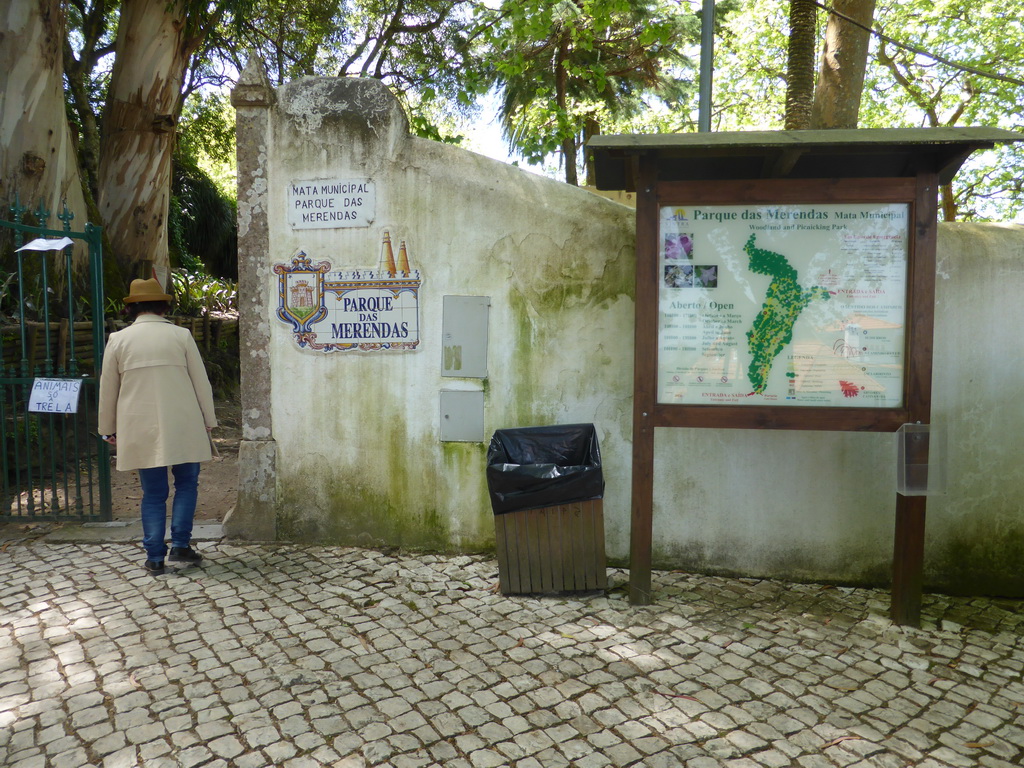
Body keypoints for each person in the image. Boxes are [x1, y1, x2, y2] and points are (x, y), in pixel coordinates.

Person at [98, 277, 218, 575]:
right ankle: (180, 545)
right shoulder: (181, 336)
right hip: (184, 422)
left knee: (153, 493)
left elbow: (108, 389)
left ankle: (154, 556)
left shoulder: (118, 340)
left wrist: (108, 428)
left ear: (132, 308)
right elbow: (200, 382)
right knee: (187, 483)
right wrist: (209, 420)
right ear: (164, 306)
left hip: (139, 425)